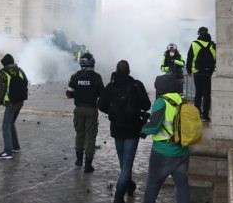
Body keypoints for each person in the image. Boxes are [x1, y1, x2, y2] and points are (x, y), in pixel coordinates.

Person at [98, 60, 152, 203]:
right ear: (129, 70)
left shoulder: (111, 86)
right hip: (133, 129)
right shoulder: (136, 85)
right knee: (127, 165)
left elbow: (101, 105)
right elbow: (147, 105)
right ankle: (119, 195)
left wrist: (111, 111)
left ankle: (127, 187)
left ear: (116, 70)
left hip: (117, 129)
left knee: (124, 163)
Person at [141, 74, 191, 203]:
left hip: (163, 152)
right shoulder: (182, 100)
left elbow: (154, 126)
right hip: (182, 151)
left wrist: (142, 130)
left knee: (153, 184)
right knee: (182, 185)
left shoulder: (161, 102)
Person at [66, 52, 105, 172]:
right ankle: (88, 165)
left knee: (79, 134)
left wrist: (79, 92)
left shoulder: (75, 76)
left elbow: (69, 94)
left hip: (78, 109)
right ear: (92, 63)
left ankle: (78, 160)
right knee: (90, 138)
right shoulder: (96, 77)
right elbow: (102, 94)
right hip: (91, 110)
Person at [0, 53, 28, 159]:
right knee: (11, 123)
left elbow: (1, 88)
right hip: (20, 101)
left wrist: (0, 101)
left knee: (5, 125)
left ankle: (8, 151)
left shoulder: (4, 72)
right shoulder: (20, 70)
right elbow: (26, 82)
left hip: (11, 102)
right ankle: (16, 146)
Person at [186, 26, 217, 122]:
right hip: (208, 73)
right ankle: (205, 115)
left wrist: (189, 71)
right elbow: (216, 58)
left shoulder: (194, 43)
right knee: (207, 94)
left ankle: (197, 113)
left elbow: (189, 58)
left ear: (199, 33)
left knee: (198, 93)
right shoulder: (213, 44)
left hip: (197, 73)